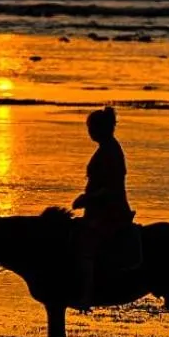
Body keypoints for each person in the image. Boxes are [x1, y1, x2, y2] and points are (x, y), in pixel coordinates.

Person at [70, 106, 135, 311]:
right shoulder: (106, 149)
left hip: (111, 212)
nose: (89, 131)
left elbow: (111, 189)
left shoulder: (110, 152)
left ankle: (86, 295)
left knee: (87, 246)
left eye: (92, 127)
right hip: (99, 210)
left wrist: (86, 199)